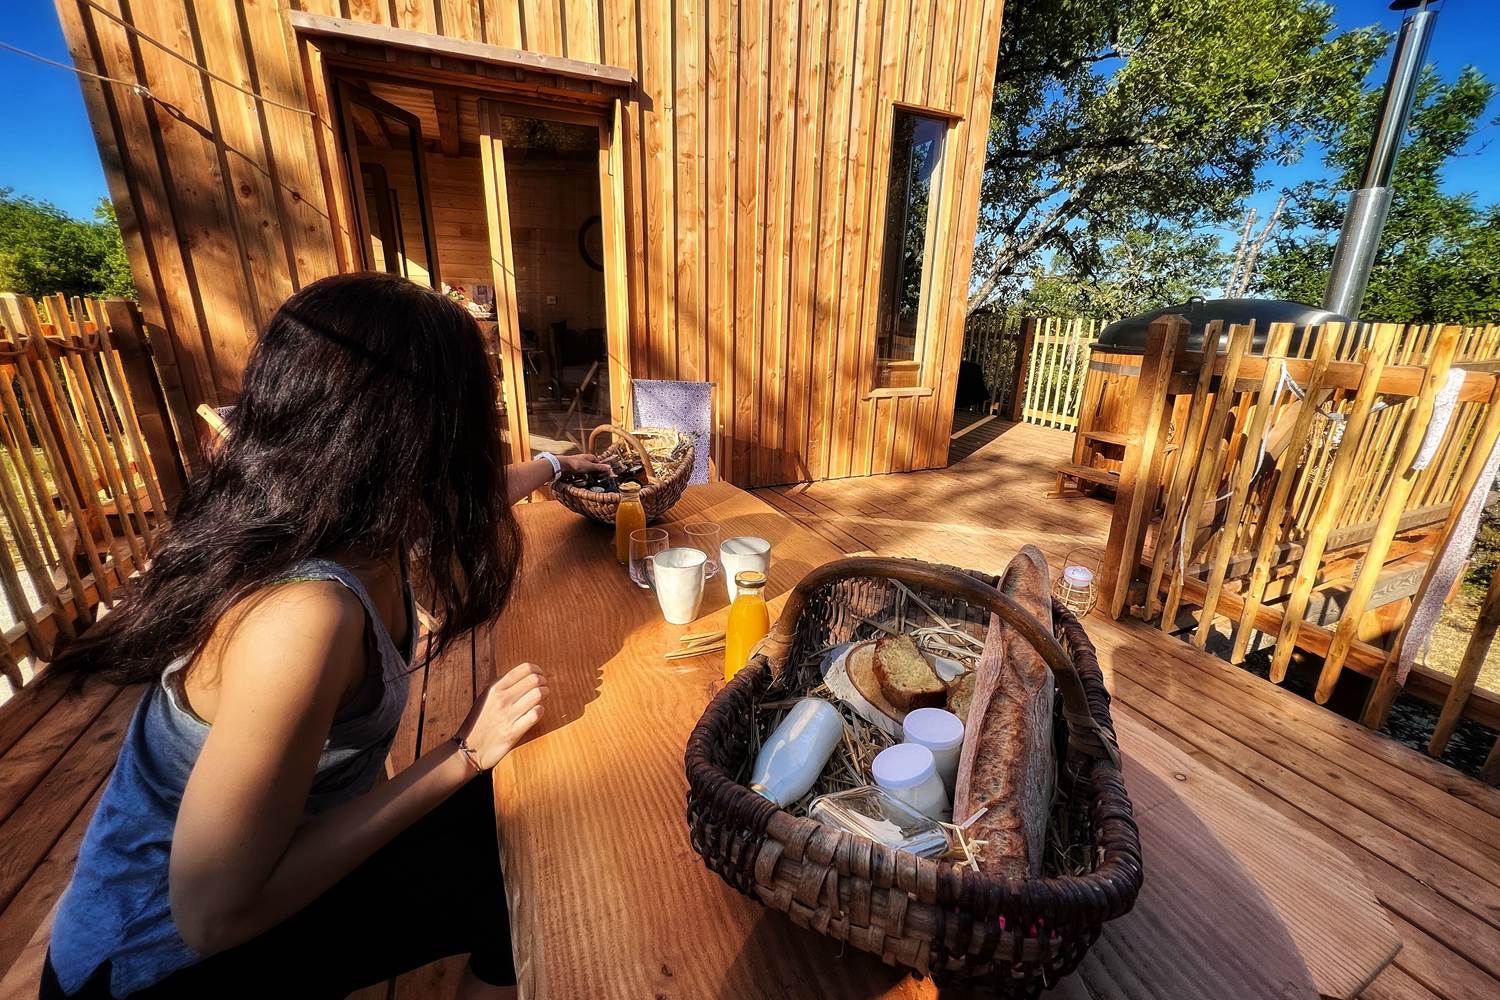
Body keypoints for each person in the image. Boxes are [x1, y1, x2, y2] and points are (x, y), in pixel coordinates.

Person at [41, 272, 609, 999]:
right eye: (477, 407)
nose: (488, 423)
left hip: (242, 893)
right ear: (411, 434)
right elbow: (212, 914)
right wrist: (464, 753)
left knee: (513, 827)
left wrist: (557, 466)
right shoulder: (303, 614)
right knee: (506, 860)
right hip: (154, 967)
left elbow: (470, 499)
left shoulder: (354, 521)